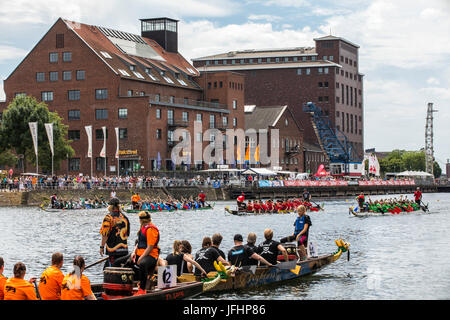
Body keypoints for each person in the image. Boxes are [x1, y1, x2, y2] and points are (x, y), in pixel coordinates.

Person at [131, 211, 160, 295]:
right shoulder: (142, 228)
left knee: (142, 264)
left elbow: (150, 247)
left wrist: (140, 258)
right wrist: (133, 252)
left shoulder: (151, 229)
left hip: (151, 255)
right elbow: (138, 243)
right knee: (125, 261)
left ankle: (142, 289)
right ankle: (128, 285)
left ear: (142, 220)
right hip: (140, 253)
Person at [99, 198, 130, 269]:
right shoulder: (125, 218)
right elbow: (127, 233)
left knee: (111, 269)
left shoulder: (108, 217)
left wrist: (102, 247)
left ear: (110, 206)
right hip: (124, 250)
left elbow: (105, 234)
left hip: (113, 250)